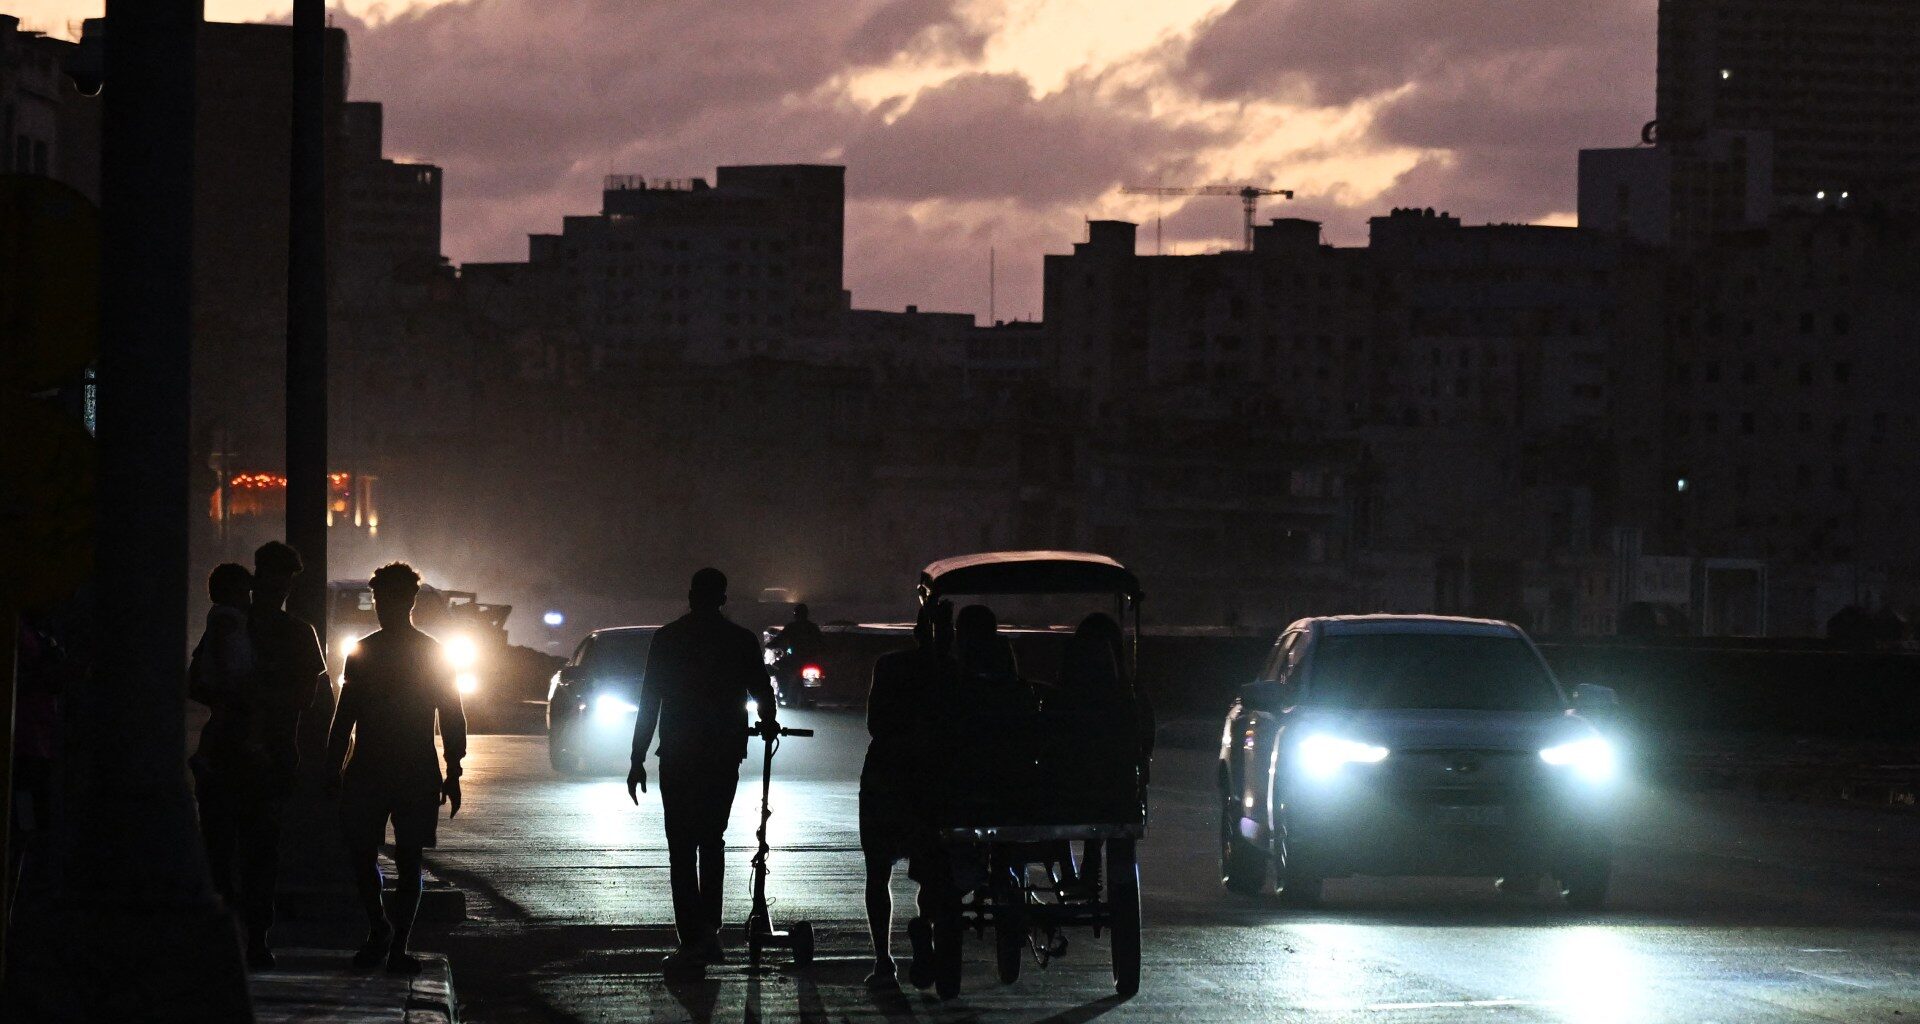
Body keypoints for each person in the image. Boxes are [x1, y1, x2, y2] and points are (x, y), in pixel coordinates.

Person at [627, 568, 778, 977]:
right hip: (723, 755)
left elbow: (649, 701)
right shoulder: (740, 641)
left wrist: (637, 756)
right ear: (723, 598)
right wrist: (768, 722)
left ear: (692, 595)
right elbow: (762, 692)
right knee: (713, 839)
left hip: (678, 753)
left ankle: (690, 938)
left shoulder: (669, 638)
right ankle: (709, 931)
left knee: (681, 846)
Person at [325, 562, 468, 974]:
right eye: (380, 598)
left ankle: (388, 936)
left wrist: (454, 767)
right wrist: (452, 768)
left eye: (386, 598)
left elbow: (345, 717)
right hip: (406, 767)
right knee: (393, 857)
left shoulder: (367, 651)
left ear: (404, 601)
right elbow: (451, 713)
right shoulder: (427, 651)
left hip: (378, 766)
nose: (383, 605)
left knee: (389, 856)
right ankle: (391, 938)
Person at [859, 598, 954, 990]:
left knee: (878, 872)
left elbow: (875, 724)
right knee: (935, 870)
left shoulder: (890, 665)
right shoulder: (955, 672)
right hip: (935, 783)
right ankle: (927, 929)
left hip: (886, 778)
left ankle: (884, 960)